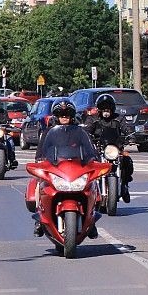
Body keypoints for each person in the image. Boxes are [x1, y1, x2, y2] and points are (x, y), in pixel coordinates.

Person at [30, 101, 99, 236]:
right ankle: (39, 218)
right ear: (56, 116)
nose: (64, 116)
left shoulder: (80, 132)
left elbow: (89, 149)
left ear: (72, 116)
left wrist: (92, 158)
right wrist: (40, 160)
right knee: (40, 183)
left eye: (67, 114)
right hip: (55, 168)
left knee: (92, 184)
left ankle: (91, 219)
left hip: (76, 168)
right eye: (61, 114)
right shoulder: (48, 132)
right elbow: (41, 151)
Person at [83, 92, 135, 203]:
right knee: (86, 164)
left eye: (109, 107)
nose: (106, 109)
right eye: (103, 107)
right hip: (99, 149)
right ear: (99, 108)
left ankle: (124, 185)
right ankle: (87, 189)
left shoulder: (118, 118)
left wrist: (131, 136)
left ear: (113, 108)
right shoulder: (93, 119)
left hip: (114, 148)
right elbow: (86, 130)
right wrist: (87, 137)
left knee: (127, 161)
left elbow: (127, 128)